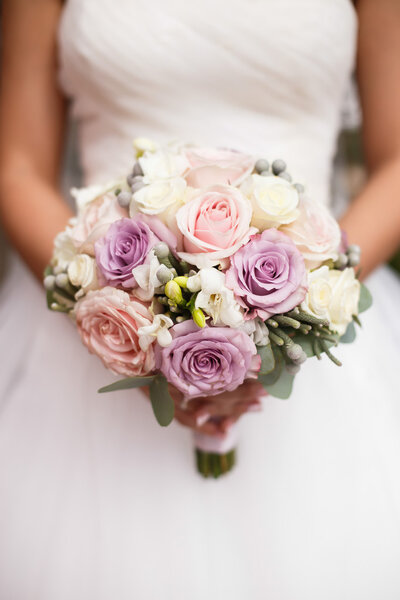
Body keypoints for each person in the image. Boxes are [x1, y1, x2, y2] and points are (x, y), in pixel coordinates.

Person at [0, 1, 400, 598]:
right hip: (91, 341)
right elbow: (16, 166)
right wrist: (121, 314)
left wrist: (298, 304)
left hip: (321, 340)